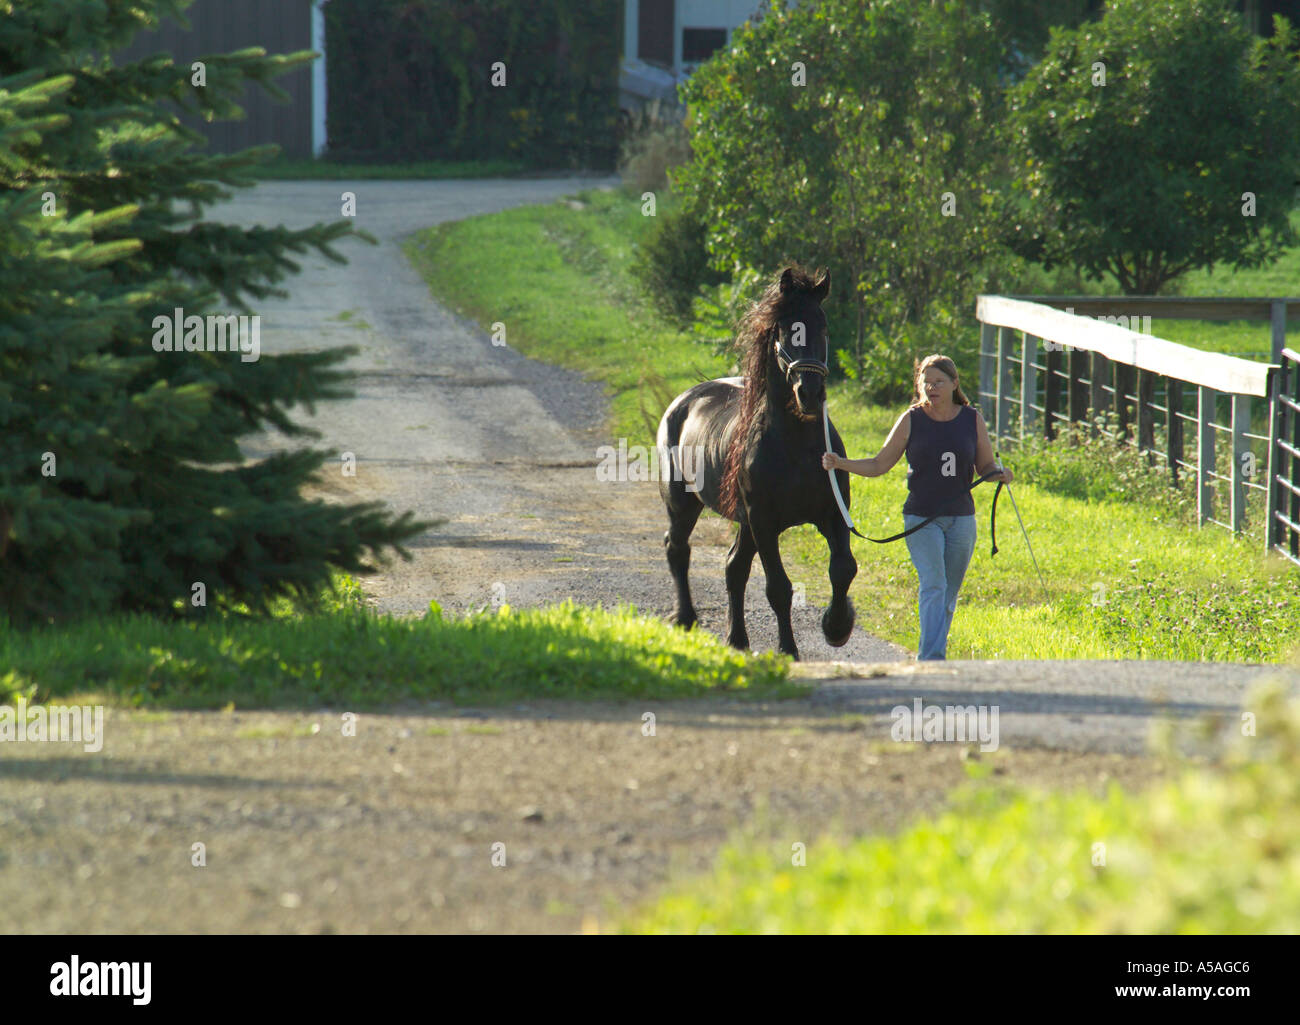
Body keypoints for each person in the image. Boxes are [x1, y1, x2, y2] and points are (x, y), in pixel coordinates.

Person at [821, 354, 1013, 661]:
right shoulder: (911, 419)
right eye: (926, 382)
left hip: (962, 519)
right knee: (934, 584)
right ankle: (931, 659)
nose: (932, 387)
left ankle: (934, 652)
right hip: (922, 518)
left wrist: (1000, 474)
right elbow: (879, 463)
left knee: (948, 594)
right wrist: (840, 463)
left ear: (954, 384)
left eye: (939, 382)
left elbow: (985, 465)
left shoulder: (971, 418)